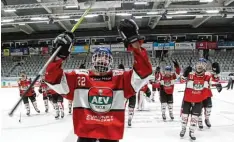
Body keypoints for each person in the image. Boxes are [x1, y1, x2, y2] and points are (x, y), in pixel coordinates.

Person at [44, 19, 152, 142]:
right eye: (99, 57)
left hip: (110, 135)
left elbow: (144, 73)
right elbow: (53, 80)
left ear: (111, 61)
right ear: (93, 60)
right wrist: (59, 56)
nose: (102, 60)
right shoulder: (79, 77)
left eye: (105, 57)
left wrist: (134, 43)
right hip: (85, 136)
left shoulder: (121, 79)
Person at [180, 58, 222, 140]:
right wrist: (184, 75)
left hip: (198, 100)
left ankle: (191, 131)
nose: (200, 66)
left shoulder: (207, 75)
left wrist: (217, 78)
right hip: (187, 99)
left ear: (205, 67)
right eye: (199, 63)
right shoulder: (190, 73)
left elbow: (214, 81)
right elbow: (181, 80)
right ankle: (183, 129)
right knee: (184, 116)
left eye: (202, 64)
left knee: (195, 117)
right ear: (195, 65)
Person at [198, 62, 221, 129]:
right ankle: (199, 121)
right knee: (199, 109)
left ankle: (207, 119)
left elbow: (212, 81)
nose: (202, 65)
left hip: (207, 94)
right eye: (201, 63)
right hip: (198, 94)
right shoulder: (196, 73)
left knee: (209, 108)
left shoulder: (209, 73)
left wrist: (216, 80)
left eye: (204, 64)